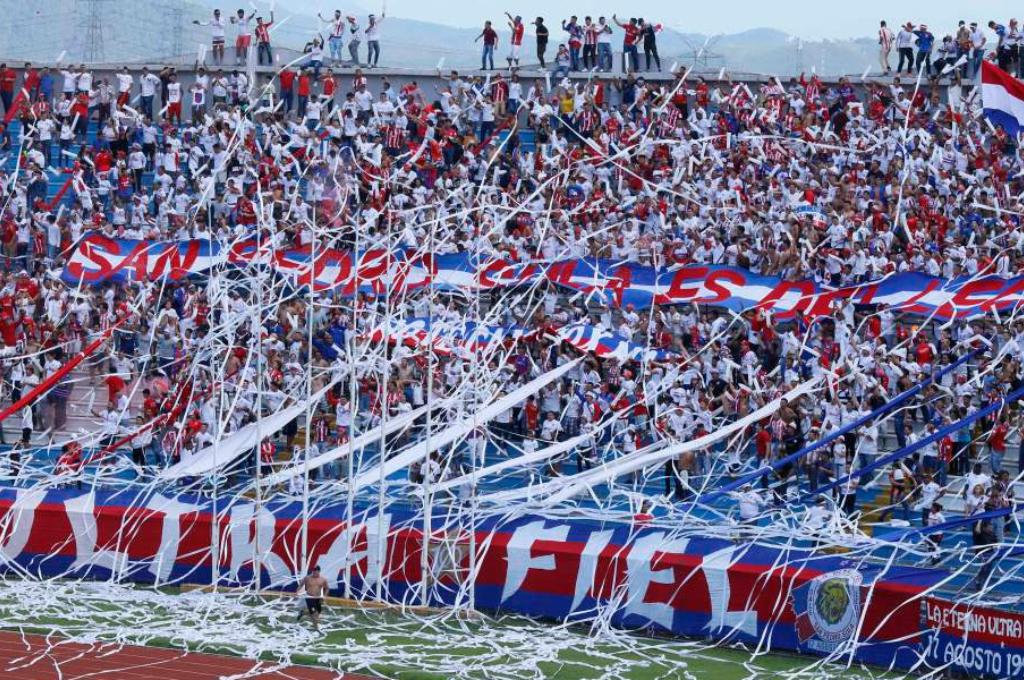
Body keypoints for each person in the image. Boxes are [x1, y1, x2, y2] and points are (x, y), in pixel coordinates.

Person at [296, 565, 329, 631]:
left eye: (315, 571)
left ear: (319, 571)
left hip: (318, 598)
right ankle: (316, 628)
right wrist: (296, 592)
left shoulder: (323, 579)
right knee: (315, 613)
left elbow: (327, 588)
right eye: (313, 571)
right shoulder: (307, 578)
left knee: (318, 612)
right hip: (309, 597)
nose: (313, 572)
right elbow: (300, 585)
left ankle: (303, 613)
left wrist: (324, 596)